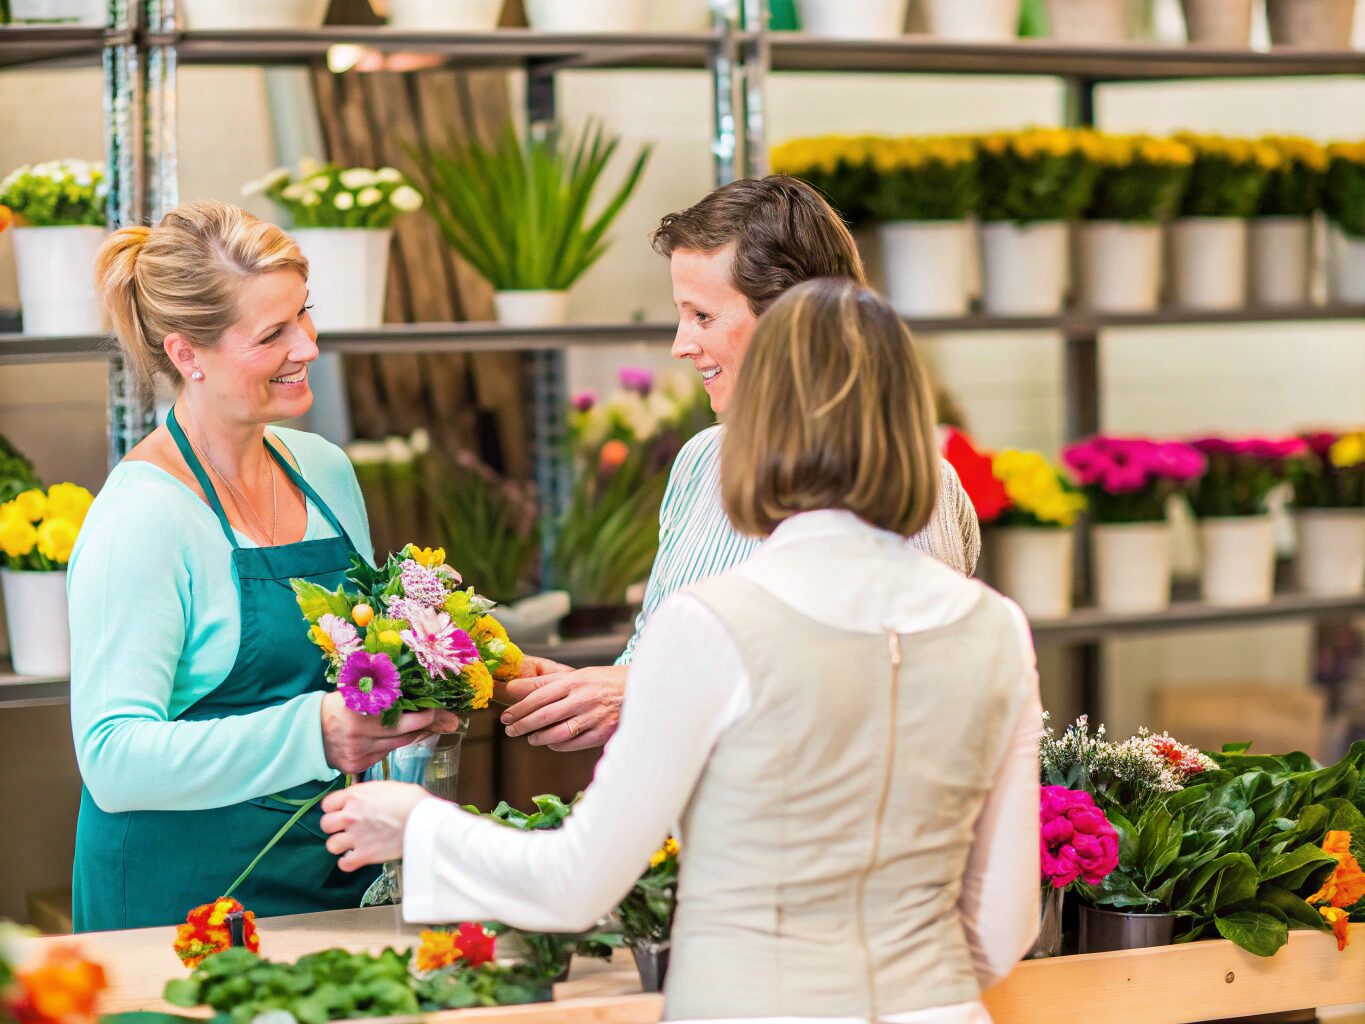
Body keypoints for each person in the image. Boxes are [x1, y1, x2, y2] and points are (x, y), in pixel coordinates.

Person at [321, 279, 1042, 1024]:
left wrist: (415, 822)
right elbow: (1001, 923)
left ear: (759, 425)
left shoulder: (715, 622)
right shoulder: (994, 628)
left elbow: (576, 881)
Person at [68, 200, 458, 932]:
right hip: (180, 906)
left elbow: (360, 667)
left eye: (304, 315)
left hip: (331, 874)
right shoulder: (143, 519)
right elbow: (112, 756)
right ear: (188, 355)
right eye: (272, 333)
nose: (308, 346)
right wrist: (315, 730)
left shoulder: (324, 471)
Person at [501, 176, 980, 751]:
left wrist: (648, 691)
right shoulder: (701, 459)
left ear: (790, 319)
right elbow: (653, 653)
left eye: (701, 316)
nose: (680, 344)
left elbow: (902, 694)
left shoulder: (903, 485)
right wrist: (587, 691)